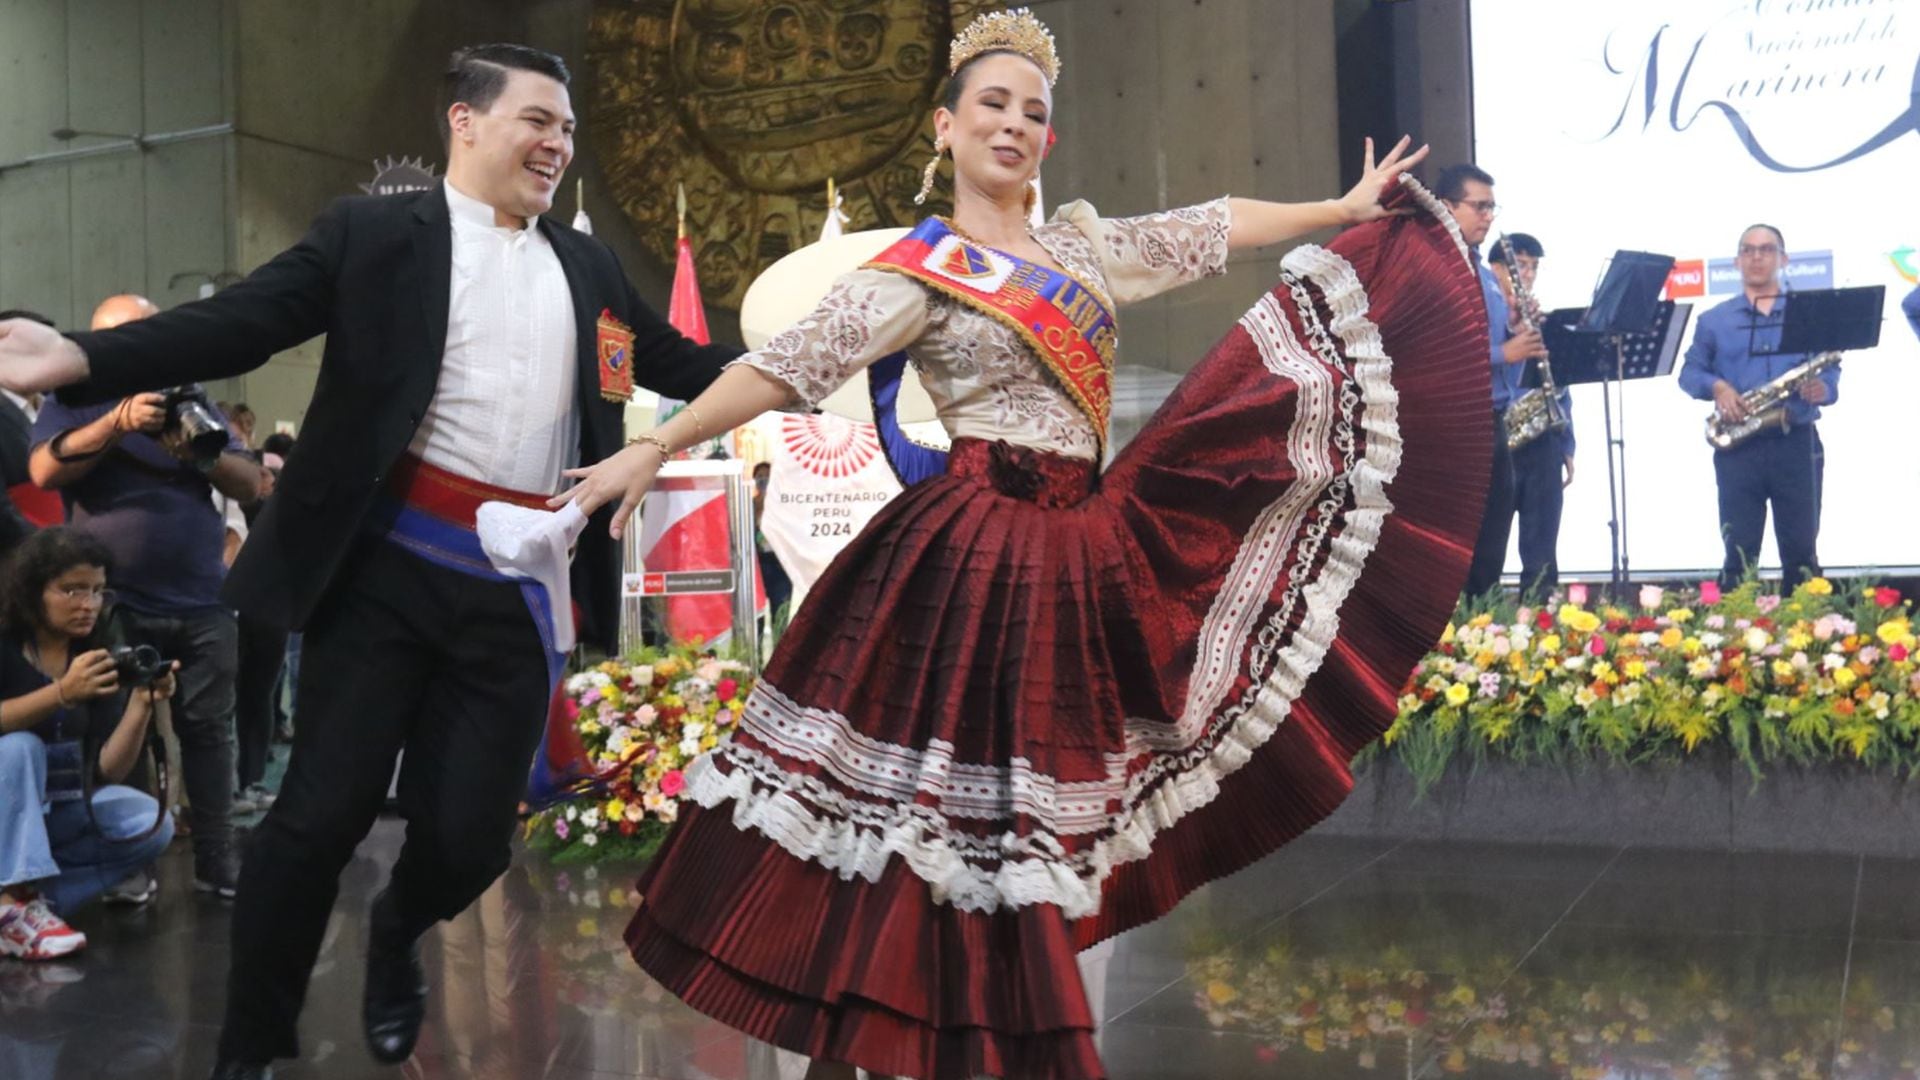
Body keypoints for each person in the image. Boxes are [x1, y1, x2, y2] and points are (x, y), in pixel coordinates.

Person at [557, 11, 1491, 1079]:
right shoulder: (918, 269)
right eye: (992, 105)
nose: (1014, 124)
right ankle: (876, 1033)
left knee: (1014, 826)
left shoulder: (1084, 250)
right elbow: (789, 363)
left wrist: (1337, 208)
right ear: (945, 129)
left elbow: (1207, 224)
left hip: (1079, 552)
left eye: (1034, 113)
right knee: (918, 819)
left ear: (1047, 142)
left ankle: (962, 1031)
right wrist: (660, 442)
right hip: (966, 555)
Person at [0, 42, 737, 1080]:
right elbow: (245, 320)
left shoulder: (589, 268)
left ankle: (398, 931)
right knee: (319, 818)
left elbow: (677, 364)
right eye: (537, 119)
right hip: (387, 563)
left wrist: (805, 356)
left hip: (518, 584)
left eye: (568, 129)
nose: (558, 143)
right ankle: (250, 1048)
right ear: (466, 122)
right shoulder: (378, 232)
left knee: (477, 839)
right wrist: (78, 355)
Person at [28, 294, 259, 905]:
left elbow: (250, 480)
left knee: (211, 733)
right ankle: (125, 861)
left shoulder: (188, 393)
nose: (140, 345)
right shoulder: (73, 397)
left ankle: (217, 858)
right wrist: (118, 423)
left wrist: (199, 454)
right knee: (115, 730)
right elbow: (45, 471)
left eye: (147, 331)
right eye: (123, 335)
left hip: (203, 595)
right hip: (115, 598)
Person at [0, 527, 178, 959]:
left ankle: (35, 904)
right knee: (20, 746)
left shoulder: (93, 657)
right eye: (72, 590)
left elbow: (106, 771)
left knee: (148, 822)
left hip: (56, 810)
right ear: (33, 590)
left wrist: (140, 704)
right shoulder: (5, 647)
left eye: (98, 591)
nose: (88, 605)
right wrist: (61, 694)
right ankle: (10, 904)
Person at [1677, 224, 1839, 590]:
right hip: (1739, 445)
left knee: (1801, 553)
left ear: (1783, 259)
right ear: (1736, 261)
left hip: (1796, 440)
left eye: (1766, 250)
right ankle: (1733, 640)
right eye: (1748, 250)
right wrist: (1717, 387)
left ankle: (1805, 639)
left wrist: (1823, 388)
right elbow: (1689, 373)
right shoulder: (1714, 321)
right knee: (1738, 553)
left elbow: (1830, 369)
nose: (1756, 257)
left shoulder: (1809, 313)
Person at [1440, 165, 1543, 599]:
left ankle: (1482, 627)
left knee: (1494, 536)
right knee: (1458, 541)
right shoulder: (1439, 270)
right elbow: (1440, 355)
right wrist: (1506, 351)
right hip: (1456, 426)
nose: (1487, 216)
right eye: (1479, 206)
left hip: (1495, 417)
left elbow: (1507, 368)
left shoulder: (1484, 272)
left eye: (1491, 207)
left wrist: (1518, 332)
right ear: (1448, 207)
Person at [1487, 233, 1574, 598]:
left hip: (1541, 442)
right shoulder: (1483, 315)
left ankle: (1539, 622)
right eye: (1519, 265)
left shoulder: (1540, 321)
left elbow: (1560, 387)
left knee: (1541, 551)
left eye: (1533, 267)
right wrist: (1510, 340)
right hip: (1496, 441)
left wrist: (1567, 444)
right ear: (1494, 269)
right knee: (1488, 546)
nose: (1527, 274)